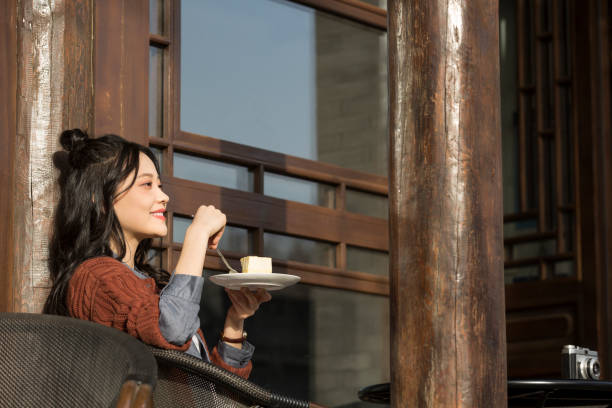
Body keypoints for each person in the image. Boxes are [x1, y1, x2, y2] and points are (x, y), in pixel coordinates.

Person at [43, 129, 271, 379]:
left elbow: (216, 395)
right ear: (100, 199)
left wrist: (234, 323)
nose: (164, 197)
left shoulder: (154, 291)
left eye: (159, 186)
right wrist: (197, 235)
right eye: (147, 185)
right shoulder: (95, 277)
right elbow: (172, 329)